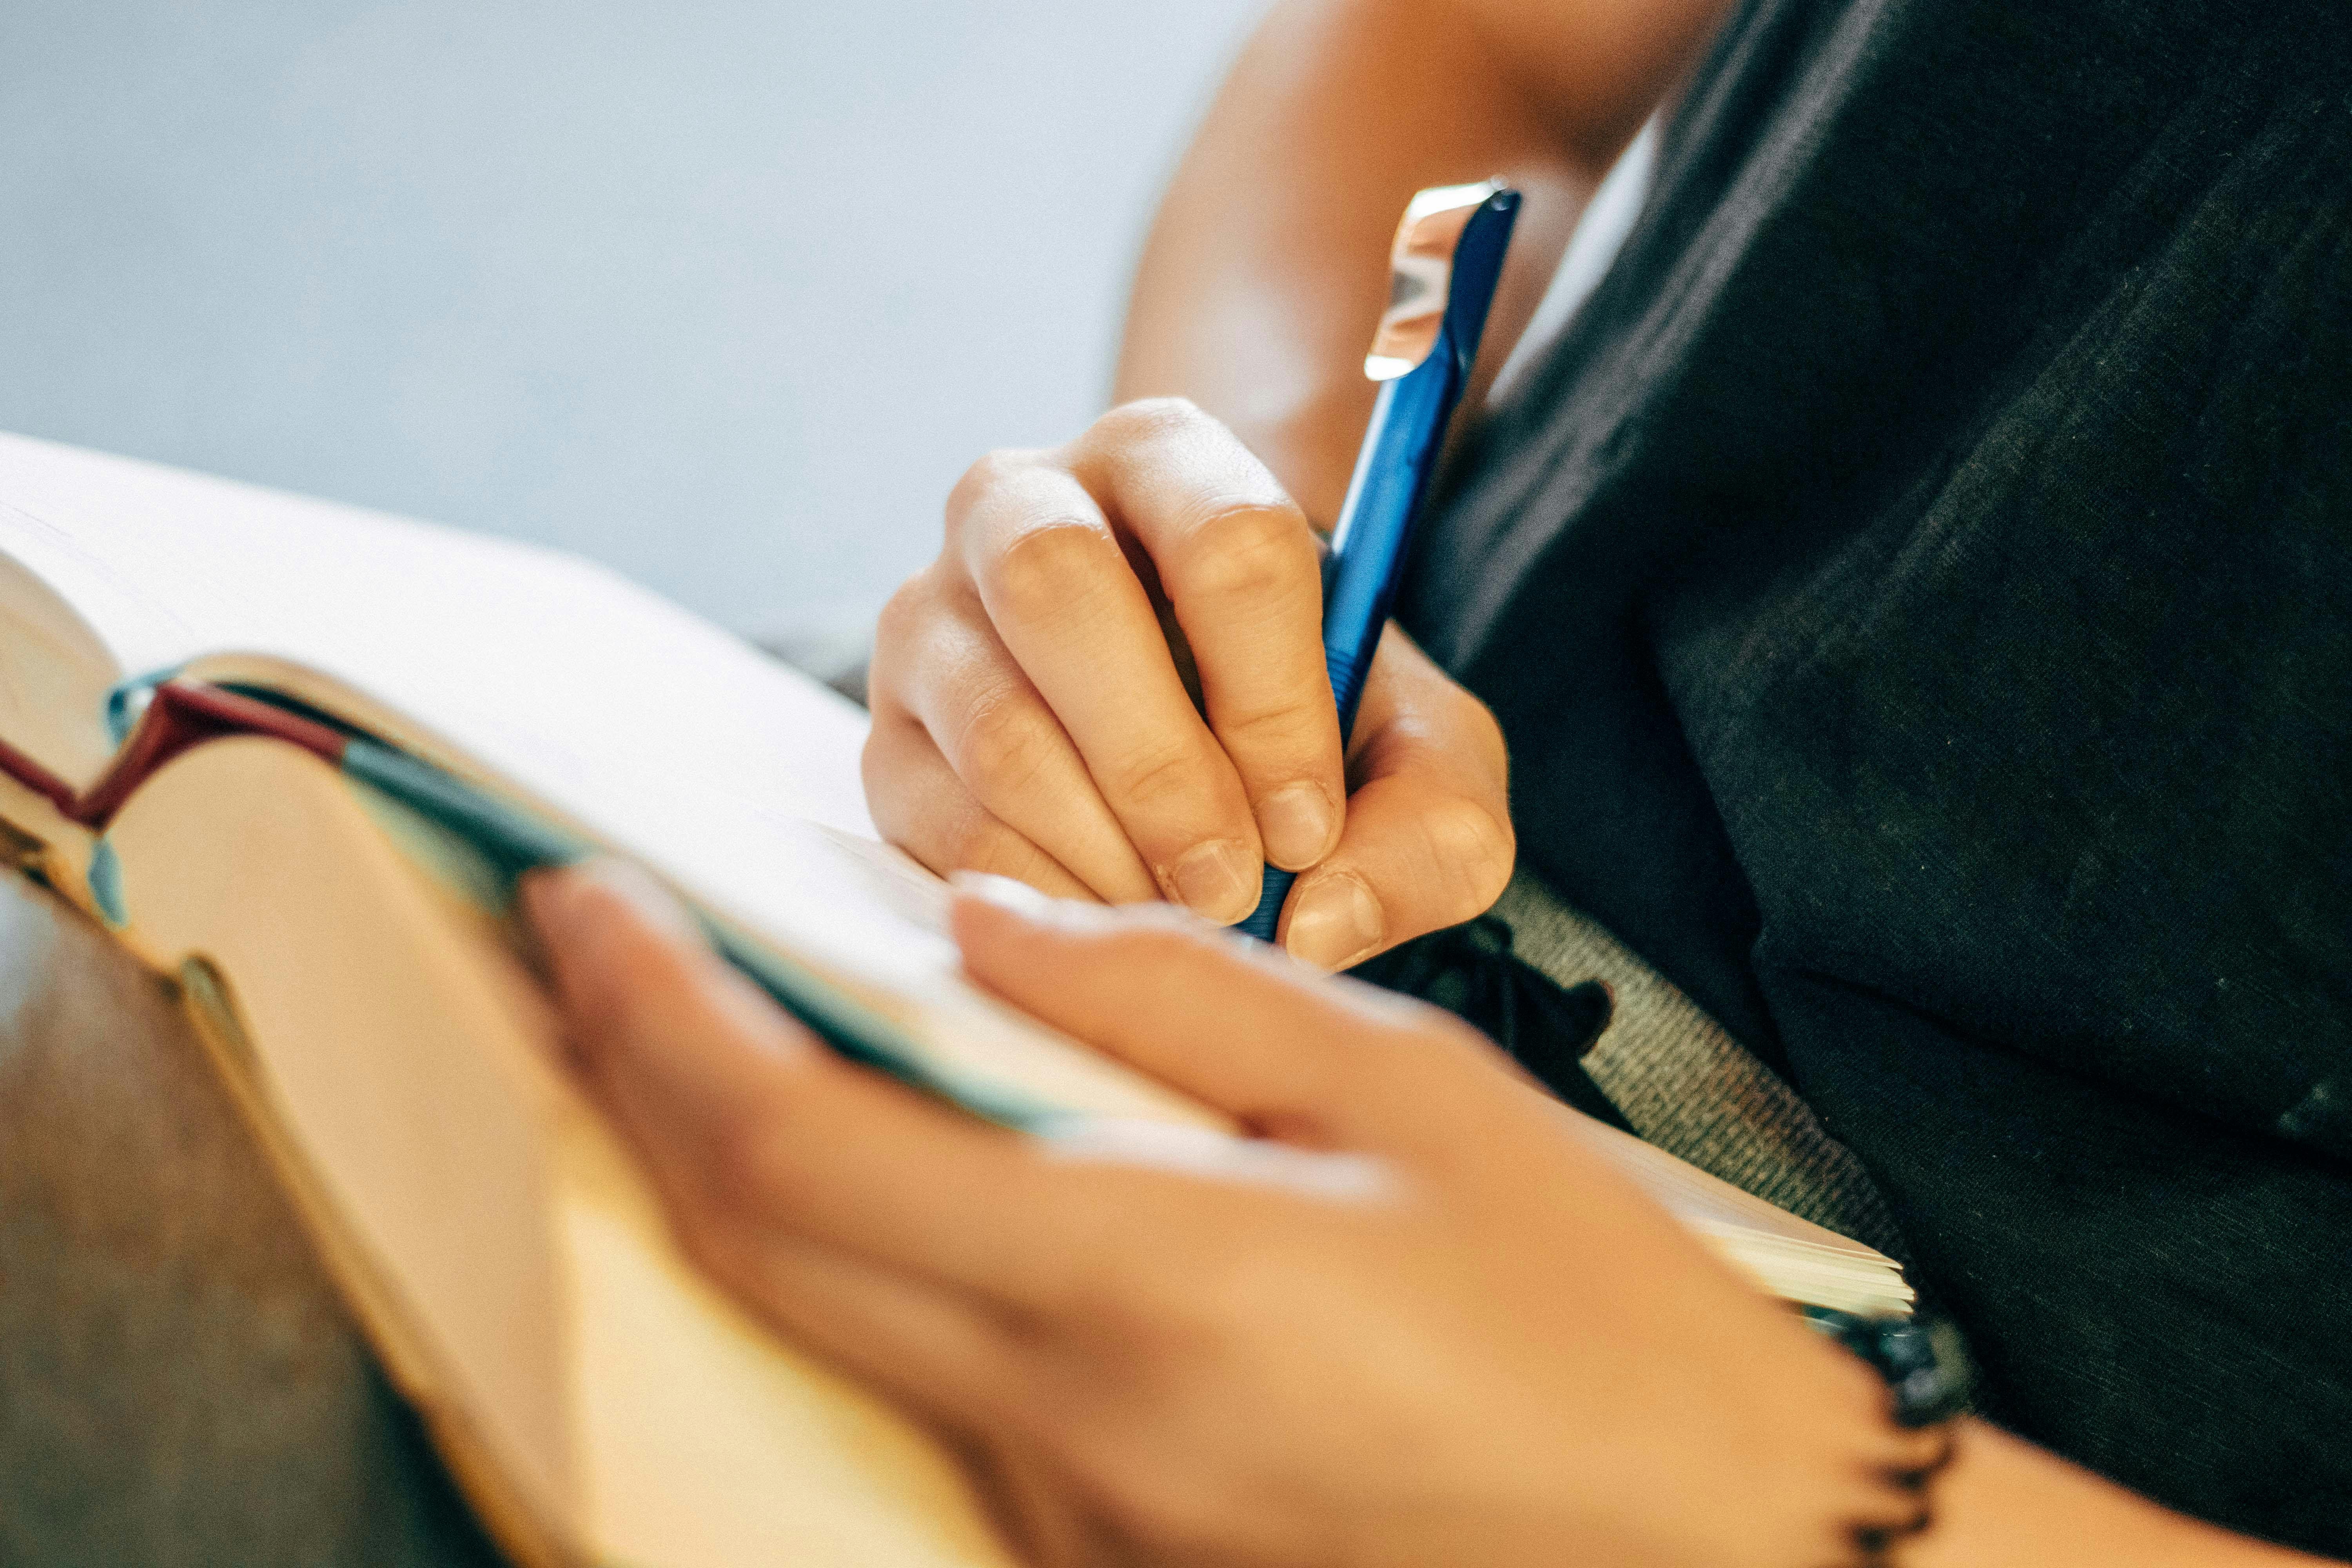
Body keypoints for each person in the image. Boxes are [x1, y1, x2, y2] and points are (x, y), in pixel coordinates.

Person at [524, 0, 2352, 1561]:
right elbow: (1481, 48)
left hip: (1896, 1445)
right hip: (1314, 837)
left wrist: (1790, 1501)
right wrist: (1246, 527)